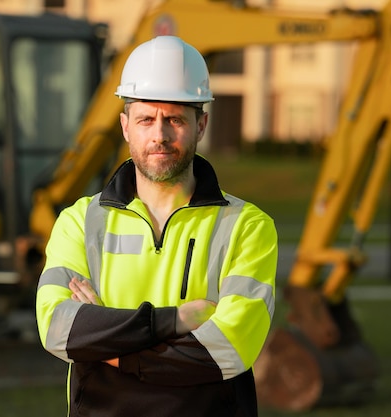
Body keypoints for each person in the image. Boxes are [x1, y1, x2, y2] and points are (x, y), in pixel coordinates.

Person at [35, 35, 277, 417]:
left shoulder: (247, 227)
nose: (159, 135)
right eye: (146, 119)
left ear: (201, 125)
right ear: (125, 126)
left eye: (175, 119)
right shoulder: (79, 222)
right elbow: (59, 330)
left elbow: (226, 351)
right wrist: (175, 320)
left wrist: (109, 351)